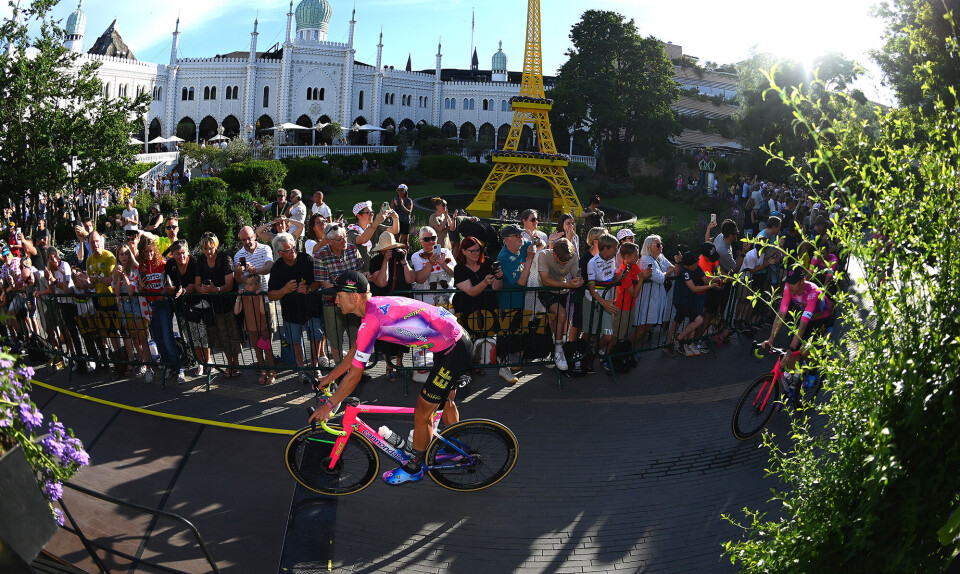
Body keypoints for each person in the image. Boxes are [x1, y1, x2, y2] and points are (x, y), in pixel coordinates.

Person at [308, 271, 474, 486]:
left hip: (454, 349)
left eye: (338, 295)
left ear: (354, 297)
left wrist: (330, 405)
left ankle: (414, 467)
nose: (335, 301)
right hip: (452, 341)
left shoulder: (371, 321)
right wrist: (329, 377)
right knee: (445, 399)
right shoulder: (372, 309)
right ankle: (456, 449)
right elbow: (357, 350)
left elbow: (355, 375)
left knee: (423, 410)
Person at [268, 232, 324, 385]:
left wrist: (308, 289)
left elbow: (317, 281)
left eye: (293, 248)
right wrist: (284, 290)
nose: (293, 252)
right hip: (290, 311)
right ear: (280, 253)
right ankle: (301, 369)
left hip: (311, 307)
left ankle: (314, 365)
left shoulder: (306, 259)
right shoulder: (277, 268)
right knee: (294, 340)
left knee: (316, 336)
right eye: (288, 250)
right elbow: (271, 295)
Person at [452, 236, 507, 381]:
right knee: (466, 339)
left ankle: (477, 364)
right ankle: (466, 367)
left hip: (486, 308)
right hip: (466, 309)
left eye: (478, 250)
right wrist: (484, 282)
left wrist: (499, 278)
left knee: (482, 338)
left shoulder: (488, 262)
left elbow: (496, 288)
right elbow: (470, 291)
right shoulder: (459, 269)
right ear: (463, 251)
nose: (476, 253)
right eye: (472, 251)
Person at [762, 268, 834, 374]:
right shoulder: (788, 287)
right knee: (792, 352)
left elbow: (802, 326)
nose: (789, 285)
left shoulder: (813, 292)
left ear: (802, 281)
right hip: (806, 317)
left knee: (804, 351)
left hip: (821, 319)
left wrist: (790, 350)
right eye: (788, 282)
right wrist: (771, 339)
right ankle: (792, 381)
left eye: (793, 283)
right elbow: (781, 314)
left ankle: (813, 372)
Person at [368, 231, 416, 383]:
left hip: (402, 304)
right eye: (387, 249)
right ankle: (389, 367)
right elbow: (382, 282)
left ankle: (400, 364)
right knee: (386, 338)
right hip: (384, 307)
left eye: (392, 248)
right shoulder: (376, 261)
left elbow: (410, 279)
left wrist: (404, 261)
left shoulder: (401, 259)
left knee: (402, 336)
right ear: (382, 250)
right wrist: (385, 261)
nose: (390, 251)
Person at [313, 223, 364, 362]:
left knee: (356, 337)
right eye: (340, 239)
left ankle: (355, 368)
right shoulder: (320, 256)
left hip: (354, 304)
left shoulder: (352, 249)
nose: (345, 241)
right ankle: (339, 369)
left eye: (345, 237)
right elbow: (325, 284)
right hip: (332, 304)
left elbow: (359, 273)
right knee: (335, 340)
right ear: (329, 242)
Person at [530, 238, 581, 370]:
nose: (564, 264)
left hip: (562, 291)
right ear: (554, 254)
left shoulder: (573, 257)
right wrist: (568, 284)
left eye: (567, 261)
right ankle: (558, 349)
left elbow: (576, 276)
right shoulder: (544, 255)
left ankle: (553, 351)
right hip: (545, 290)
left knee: (554, 322)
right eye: (562, 261)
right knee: (562, 315)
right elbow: (545, 281)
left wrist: (578, 281)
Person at [197, 233, 240, 377]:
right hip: (213, 304)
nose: (209, 252)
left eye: (211, 248)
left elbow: (229, 284)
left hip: (228, 302)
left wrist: (216, 290)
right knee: (222, 334)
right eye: (205, 249)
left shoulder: (224, 258)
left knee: (232, 333)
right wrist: (203, 289)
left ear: (216, 246)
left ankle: (236, 363)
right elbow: (198, 283)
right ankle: (229, 364)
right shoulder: (201, 260)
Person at [139, 235, 181, 383]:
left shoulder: (163, 263)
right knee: (158, 339)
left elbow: (171, 285)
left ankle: (178, 368)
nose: (149, 254)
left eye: (151, 251)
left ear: (155, 250)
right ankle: (168, 366)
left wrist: (167, 290)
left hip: (163, 305)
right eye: (146, 252)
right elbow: (141, 289)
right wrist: (141, 287)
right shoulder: (142, 267)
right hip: (150, 306)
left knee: (168, 338)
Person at [664, 251, 721, 357]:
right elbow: (694, 288)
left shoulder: (696, 268)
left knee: (677, 321)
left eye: (696, 264)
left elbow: (705, 279)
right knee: (699, 319)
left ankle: (669, 343)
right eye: (694, 265)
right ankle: (679, 339)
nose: (696, 266)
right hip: (680, 300)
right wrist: (711, 286)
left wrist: (715, 279)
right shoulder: (684, 271)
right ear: (686, 265)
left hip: (688, 299)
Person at [113, 243, 154, 381]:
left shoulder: (135, 269)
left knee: (143, 337)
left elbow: (131, 292)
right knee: (134, 338)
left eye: (126, 253)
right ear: (117, 257)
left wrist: (124, 274)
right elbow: (117, 293)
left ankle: (149, 368)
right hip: (124, 308)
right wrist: (118, 277)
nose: (124, 257)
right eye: (121, 254)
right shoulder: (115, 271)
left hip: (137, 306)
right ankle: (142, 363)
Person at [166, 240, 207, 379]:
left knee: (202, 336)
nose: (181, 257)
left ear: (187, 252)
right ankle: (200, 363)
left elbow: (194, 285)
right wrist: (172, 289)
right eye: (178, 254)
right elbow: (167, 285)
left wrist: (184, 290)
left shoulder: (194, 262)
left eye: (183, 253)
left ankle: (208, 362)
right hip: (181, 307)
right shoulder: (170, 264)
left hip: (196, 305)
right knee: (190, 337)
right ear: (172, 255)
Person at [585, 234, 620, 370]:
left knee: (608, 336)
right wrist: (604, 302)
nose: (616, 251)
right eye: (615, 248)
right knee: (589, 333)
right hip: (592, 302)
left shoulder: (612, 259)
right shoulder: (592, 263)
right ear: (606, 248)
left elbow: (611, 278)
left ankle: (591, 351)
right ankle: (584, 355)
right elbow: (592, 289)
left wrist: (620, 277)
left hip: (606, 304)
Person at [236, 273, 277, 385]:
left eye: (250, 284)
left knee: (267, 351)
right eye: (246, 284)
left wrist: (260, 297)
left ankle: (272, 372)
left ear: (257, 286)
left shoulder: (259, 295)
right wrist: (238, 298)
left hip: (262, 327)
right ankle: (263, 371)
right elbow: (236, 311)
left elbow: (263, 312)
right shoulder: (244, 296)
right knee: (257, 351)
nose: (247, 287)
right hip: (251, 328)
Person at [636, 235, 674, 347]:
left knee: (649, 325)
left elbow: (671, 266)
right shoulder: (645, 260)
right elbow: (660, 278)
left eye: (661, 244)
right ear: (648, 247)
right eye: (657, 245)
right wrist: (667, 273)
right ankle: (629, 348)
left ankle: (632, 349)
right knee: (642, 328)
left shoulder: (660, 257)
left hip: (656, 298)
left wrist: (667, 271)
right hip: (647, 299)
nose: (660, 247)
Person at [348, 200, 399, 271]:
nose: (372, 214)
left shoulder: (376, 226)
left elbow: (394, 230)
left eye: (372, 212)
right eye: (368, 213)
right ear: (359, 215)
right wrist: (376, 222)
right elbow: (362, 240)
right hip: (362, 272)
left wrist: (396, 218)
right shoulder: (352, 230)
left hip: (376, 270)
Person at [411, 226, 456, 306]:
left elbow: (456, 274)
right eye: (427, 239)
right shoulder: (417, 256)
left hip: (446, 299)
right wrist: (431, 263)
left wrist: (444, 265)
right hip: (426, 301)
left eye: (433, 238)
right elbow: (420, 279)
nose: (431, 241)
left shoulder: (446, 252)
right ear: (420, 241)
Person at [496, 224, 535, 310]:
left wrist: (536, 239)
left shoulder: (522, 245)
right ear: (507, 240)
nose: (521, 237)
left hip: (525, 303)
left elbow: (537, 244)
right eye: (517, 235)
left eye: (521, 234)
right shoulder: (504, 257)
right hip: (510, 305)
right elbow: (521, 282)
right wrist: (529, 259)